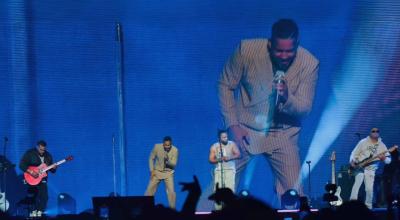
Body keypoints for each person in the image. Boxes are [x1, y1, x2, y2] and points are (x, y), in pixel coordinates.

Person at [218, 18, 319, 201]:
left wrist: (287, 97)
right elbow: (225, 85)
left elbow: (305, 108)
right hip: (245, 130)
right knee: (221, 187)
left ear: (297, 45)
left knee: (294, 194)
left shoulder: (309, 64)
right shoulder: (246, 51)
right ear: (270, 44)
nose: (284, 56)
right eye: (279, 50)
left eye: (290, 51)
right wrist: (232, 125)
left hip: (283, 135)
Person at [349, 128, 392, 209]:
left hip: (371, 170)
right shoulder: (363, 142)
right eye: (373, 131)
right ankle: (352, 204)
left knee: (369, 189)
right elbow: (354, 153)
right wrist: (352, 161)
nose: (375, 132)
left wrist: (384, 159)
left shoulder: (382, 145)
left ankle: (368, 207)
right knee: (357, 184)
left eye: (377, 131)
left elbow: (389, 160)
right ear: (370, 133)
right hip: (359, 167)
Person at [19, 140, 56, 217]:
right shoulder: (30, 153)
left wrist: (54, 167)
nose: (42, 151)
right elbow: (22, 165)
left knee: (44, 197)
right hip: (31, 178)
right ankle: (32, 212)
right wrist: (31, 172)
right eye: (41, 149)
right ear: (37, 147)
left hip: (42, 179)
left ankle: (39, 212)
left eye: (44, 150)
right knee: (33, 196)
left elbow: (52, 170)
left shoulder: (48, 156)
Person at [209, 130, 241, 210]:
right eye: (223, 137)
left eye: (226, 137)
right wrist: (220, 159)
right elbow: (211, 160)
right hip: (219, 171)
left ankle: (229, 210)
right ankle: (218, 211)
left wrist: (229, 158)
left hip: (230, 170)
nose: (225, 138)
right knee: (217, 191)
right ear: (219, 138)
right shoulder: (214, 146)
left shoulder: (232, 144)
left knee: (230, 191)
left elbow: (238, 154)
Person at [145, 136, 179, 209]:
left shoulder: (175, 150)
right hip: (157, 172)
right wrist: (152, 171)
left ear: (171, 144)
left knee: (171, 192)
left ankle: (172, 211)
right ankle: (146, 208)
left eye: (168, 145)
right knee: (149, 190)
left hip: (168, 173)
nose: (167, 147)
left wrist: (167, 160)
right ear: (163, 144)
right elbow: (151, 158)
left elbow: (173, 166)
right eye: (165, 145)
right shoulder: (157, 147)